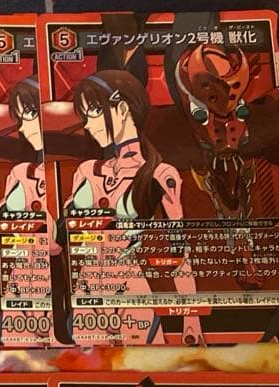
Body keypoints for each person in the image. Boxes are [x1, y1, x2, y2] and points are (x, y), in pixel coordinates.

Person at [65, 70, 201, 344]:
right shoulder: (87, 171)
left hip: (130, 293)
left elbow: (178, 251)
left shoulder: (160, 174)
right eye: (85, 115)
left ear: (123, 109)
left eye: (94, 112)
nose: (88, 125)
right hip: (87, 294)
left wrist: (191, 320)